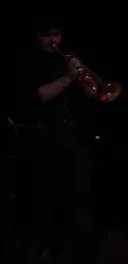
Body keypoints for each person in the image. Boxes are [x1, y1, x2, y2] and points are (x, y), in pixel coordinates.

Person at [15, 20, 99, 232]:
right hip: (45, 139)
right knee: (46, 200)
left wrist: (89, 86)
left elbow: (91, 96)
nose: (54, 41)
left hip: (76, 137)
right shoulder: (29, 62)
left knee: (80, 199)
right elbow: (39, 96)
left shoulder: (69, 60)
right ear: (37, 36)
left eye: (57, 34)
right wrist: (69, 77)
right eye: (48, 35)